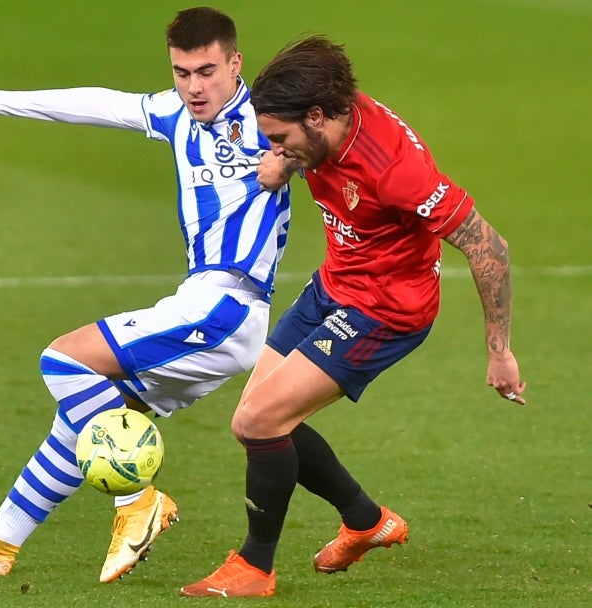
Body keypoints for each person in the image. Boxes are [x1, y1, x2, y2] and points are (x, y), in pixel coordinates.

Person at [0, 7, 294, 584]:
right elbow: (100, 105)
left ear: (235, 63)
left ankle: (137, 503)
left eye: (207, 71)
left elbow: (335, 143)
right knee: (85, 411)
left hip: (228, 307)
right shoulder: (174, 112)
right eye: (181, 72)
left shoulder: (272, 121)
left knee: (63, 359)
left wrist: (290, 160)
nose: (193, 87)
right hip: (202, 305)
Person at [180, 35, 526, 597]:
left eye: (281, 139)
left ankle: (255, 568)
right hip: (334, 285)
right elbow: (310, 159)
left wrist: (499, 350)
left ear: (316, 118)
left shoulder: (394, 168)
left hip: (386, 310)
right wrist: (285, 165)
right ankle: (368, 522)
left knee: (263, 421)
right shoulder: (324, 123)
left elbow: (491, 247)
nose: (274, 148)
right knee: (252, 422)